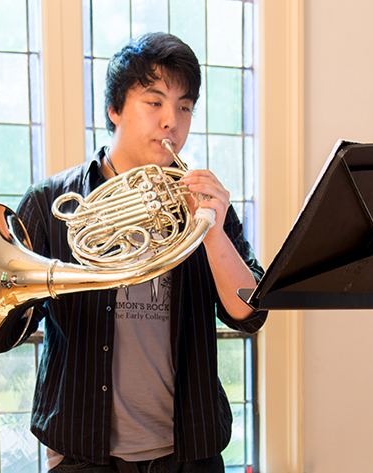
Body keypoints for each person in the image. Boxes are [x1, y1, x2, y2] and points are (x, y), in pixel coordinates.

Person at [16, 32, 268, 473]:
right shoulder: (49, 202)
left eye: (185, 106)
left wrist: (210, 230)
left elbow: (249, 313)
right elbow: (13, 323)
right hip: (83, 450)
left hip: (191, 448)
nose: (172, 120)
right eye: (154, 102)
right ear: (114, 109)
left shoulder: (207, 204)